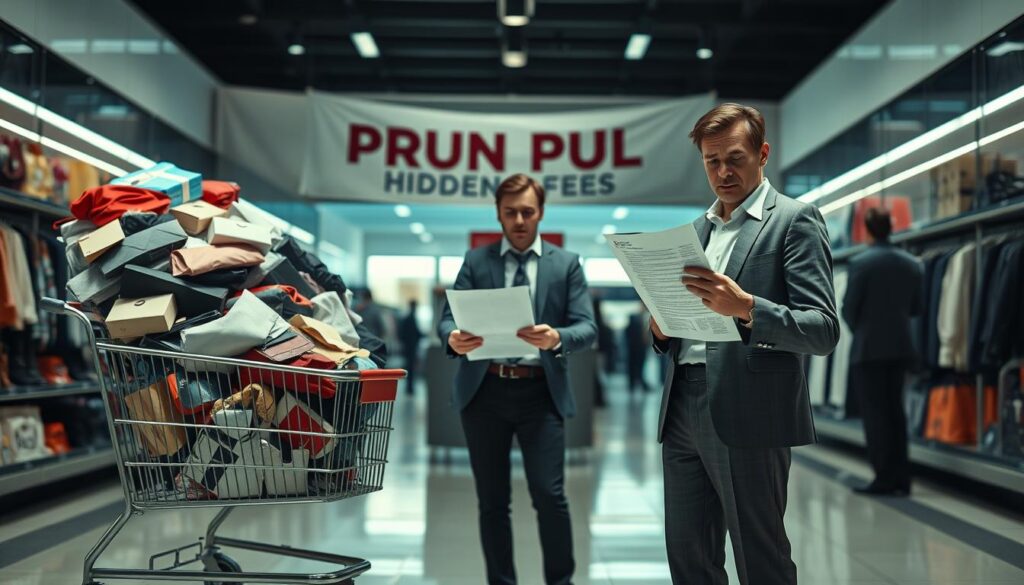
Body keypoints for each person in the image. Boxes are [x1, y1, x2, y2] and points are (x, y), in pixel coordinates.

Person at [650, 103, 839, 585]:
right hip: (681, 405)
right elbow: (682, 319)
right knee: (688, 556)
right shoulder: (696, 231)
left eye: (734, 158)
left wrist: (748, 308)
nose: (723, 173)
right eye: (712, 161)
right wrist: (660, 328)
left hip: (752, 408)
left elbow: (822, 329)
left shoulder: (794, 220)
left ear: (763, 154)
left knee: (760, 558)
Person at [437, 173, 597, 585]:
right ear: (498, 214)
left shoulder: (566, 264)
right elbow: (447, 320)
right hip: (484, 392)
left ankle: (560, 581)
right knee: (492, 502)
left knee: (550, 495)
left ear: (541, 212)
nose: (520, 221)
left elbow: (588, 328)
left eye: (528, 211)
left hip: (541, 393)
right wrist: (452, 337)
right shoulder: (476, 261)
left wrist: (557, 336)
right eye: (511, 212)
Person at [842, 206, 922, 496]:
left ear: (867, 230)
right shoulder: (912, 263)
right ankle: (902, 478)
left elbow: (849, 308)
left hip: (868, 348)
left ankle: (883, 477)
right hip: (901, 346)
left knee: (875, 414)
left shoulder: (861, 263)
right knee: (896, 412)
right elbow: (917, 307)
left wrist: (862, 330)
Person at [398, 300, 423, 395]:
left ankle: (409, 387)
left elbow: (401, 334)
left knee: (410, 367)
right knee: (411, 368)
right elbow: (416, 333)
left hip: (408, 347)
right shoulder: (411, 318)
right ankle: (410, 388)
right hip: (411, 348)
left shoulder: (407, 318)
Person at [626, 304, 651, 393]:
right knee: (632, 365)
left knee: (642, 365)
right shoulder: (633, 317)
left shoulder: (648, 318)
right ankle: (632, 384)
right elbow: (628, 332)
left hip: (643, 347)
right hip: (633, 347)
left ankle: (641, 383)